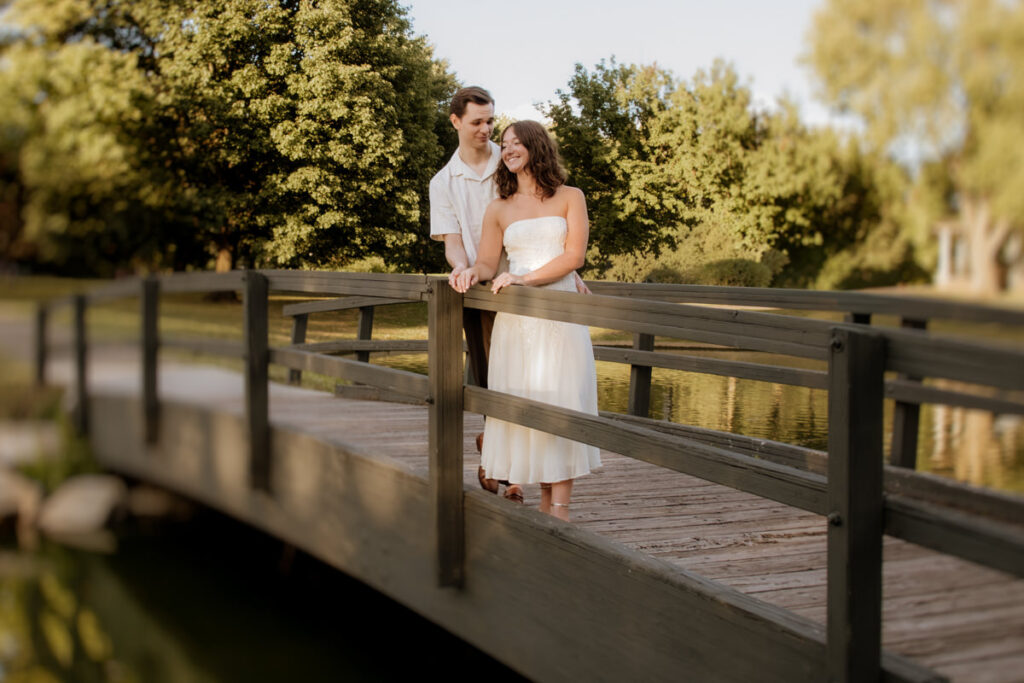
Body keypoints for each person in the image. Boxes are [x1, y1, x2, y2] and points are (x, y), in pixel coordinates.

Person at [430, 89, 589, 498]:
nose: (487, 131)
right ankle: (503, 464)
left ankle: (523, 476)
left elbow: (567, 246)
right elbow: (455, 242)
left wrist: (562, 275)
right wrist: (463, 270)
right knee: (496, 382)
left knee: (546, 386)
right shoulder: (445, 182)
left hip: (537, 289)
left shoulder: (525, 172)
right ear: (456, 122)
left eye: (491, 122)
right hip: (488, 290)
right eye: (478, 123)